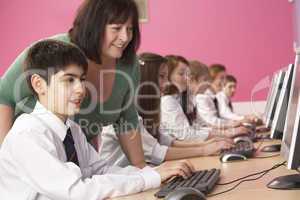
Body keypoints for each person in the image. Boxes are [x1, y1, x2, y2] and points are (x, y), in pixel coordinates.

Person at [0, 40, 195, 200]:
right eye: (69, 80)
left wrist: (153, 174)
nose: (80, 89)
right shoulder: (28, 134)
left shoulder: (72, 129)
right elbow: (77, 191)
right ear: (38, 84)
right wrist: (148, 179)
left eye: (82, 79)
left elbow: (99, 170)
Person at [0, 0, 146, 168]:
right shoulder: (56, 50)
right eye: (116, 28)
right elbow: (3, 95)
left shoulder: (129, 63)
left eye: (130, 29)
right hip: (32, 151)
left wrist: (144, 170)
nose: (125, 37)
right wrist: (6, 159)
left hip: (76, 153)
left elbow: (126, 117)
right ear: (95, 26)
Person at [98, 53, 234, 166]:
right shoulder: (128, 112)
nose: (166, 83)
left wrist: (206, 145)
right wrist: (204, 149)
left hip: (134, 178)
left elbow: (166, 140)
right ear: (147, 78)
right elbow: (157, 151)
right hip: (120, 185)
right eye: (161, 77)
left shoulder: (150, 109)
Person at [194, 64, 242, 128]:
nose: (224, 82)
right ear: (210, 80)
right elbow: (212, 121)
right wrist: (238, 122)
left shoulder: (214, 97)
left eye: (225, 78)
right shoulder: (203, 97)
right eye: (221, 78)